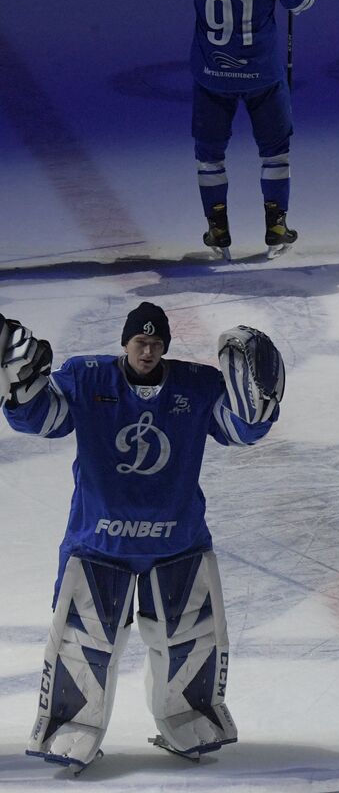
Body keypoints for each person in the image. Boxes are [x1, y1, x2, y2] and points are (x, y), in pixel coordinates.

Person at [1, 304, 285, 770]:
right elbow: (42, 420)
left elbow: (239, 430)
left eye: (156, 344)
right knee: (82, 643)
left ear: (166, 347)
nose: (148, 351)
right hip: (98, 542)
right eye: (140, 342)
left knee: (190, 640)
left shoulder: (195, 384)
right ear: (125, 343)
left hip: (177, 541)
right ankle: (73, 724)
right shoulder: (88, 378)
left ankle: (190, 715)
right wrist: (20, 388)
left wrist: (259, 404)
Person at [156, 0, 317, 260]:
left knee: (209, 157)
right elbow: (303, 0)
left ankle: (217, 228)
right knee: (275, 153)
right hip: (263, 76)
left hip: (213, 77)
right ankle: (276, 224)